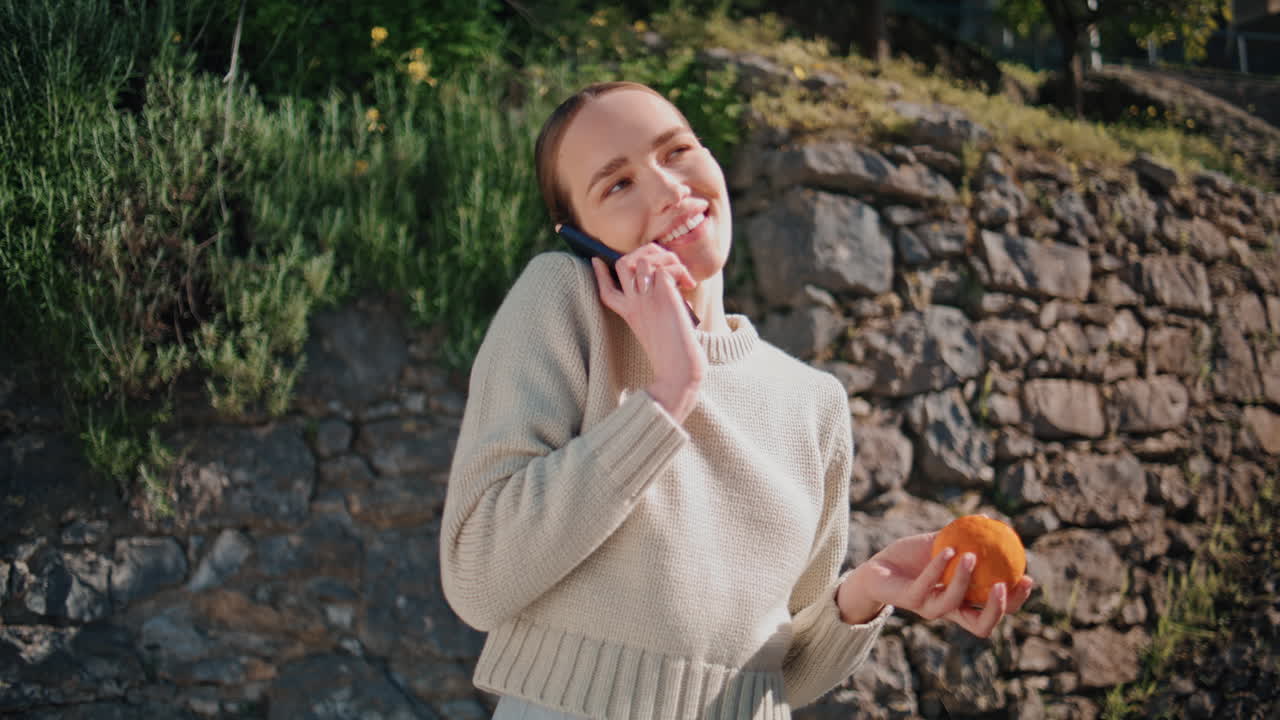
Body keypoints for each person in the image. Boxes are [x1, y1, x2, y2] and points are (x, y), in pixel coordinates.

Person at [439, 81, 1034, 720]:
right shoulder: (564, 303)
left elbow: (780, 676)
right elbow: (477, 577)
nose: (669, 190)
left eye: (676, 151)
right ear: (580, 237)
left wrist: (864, 593)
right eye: (618, 184)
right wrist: (671, 393)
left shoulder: (814, 402)